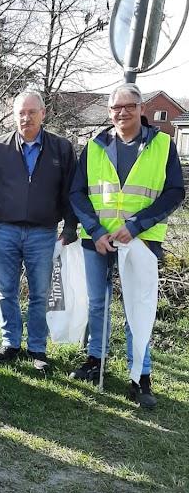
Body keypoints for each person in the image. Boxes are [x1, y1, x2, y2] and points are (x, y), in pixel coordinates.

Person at [69, 82, 185, 408]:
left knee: (138, 308)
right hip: (99, 240)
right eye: (116, 108)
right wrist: (94, 230)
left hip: (142, 241)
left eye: (128, 106)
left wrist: (136, 226)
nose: (122, 112)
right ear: (109, 112)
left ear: (141, 108)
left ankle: (141, 376)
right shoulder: (94, 146)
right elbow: (77, 192)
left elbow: (175, 192)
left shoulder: (163, 145)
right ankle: (95, 360)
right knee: (97, 304)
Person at [0, 90, 77, 371]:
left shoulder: (62, 148)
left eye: (32, 112)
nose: (25, 117)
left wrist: (70, 226)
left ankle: (37, 349)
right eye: (20, 112)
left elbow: (71, 191)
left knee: (40, 294)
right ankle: (10, 343)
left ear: (43, 114)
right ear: (14, 115)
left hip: (44, 233)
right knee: (5, 290)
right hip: (4, 230)